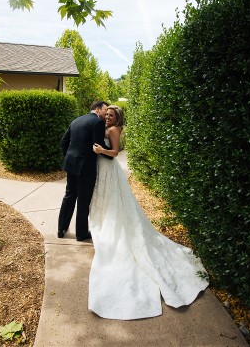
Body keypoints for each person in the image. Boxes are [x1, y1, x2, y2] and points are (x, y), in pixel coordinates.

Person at [88, 105, 209, 320]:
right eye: (106, 114)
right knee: (105, 202)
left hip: (108, 167)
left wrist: (100, 151)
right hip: (101, 168)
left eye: (111, 115)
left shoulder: (114, 130)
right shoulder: (103, 126)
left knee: (114, 204)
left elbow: (115, 153)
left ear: (117, 119)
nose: (107, 117)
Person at [58, 100, 112, 241]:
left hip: (71, 164)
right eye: (105, 110)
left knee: (69, 196)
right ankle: (81, 234)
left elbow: (64, 141)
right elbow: (98, 146)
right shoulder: (97, 123)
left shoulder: (76, 120)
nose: (106, 114)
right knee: (83, 200)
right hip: (86, 167)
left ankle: (61, 229)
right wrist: (112, 154)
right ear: (97, 109)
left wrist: (70, 157)